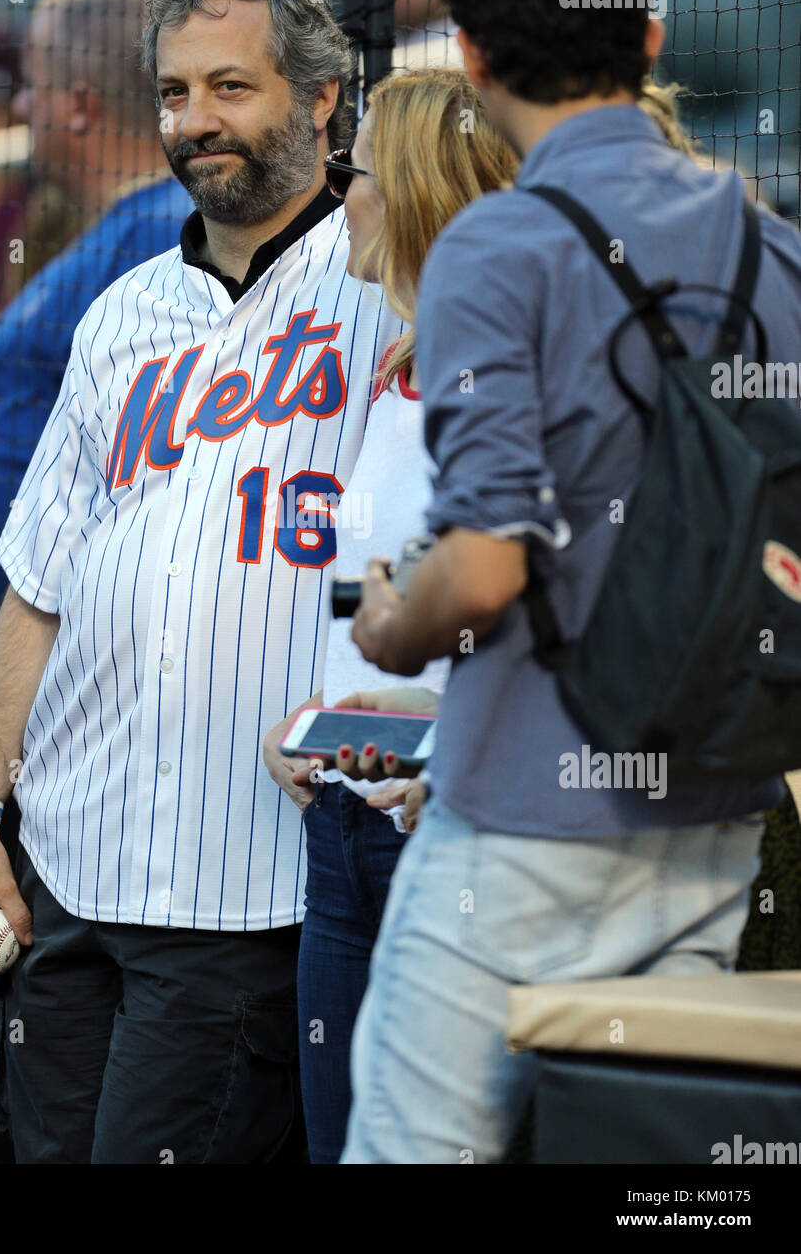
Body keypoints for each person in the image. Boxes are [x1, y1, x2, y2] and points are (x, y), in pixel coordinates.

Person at [334, 0, 801, 1164]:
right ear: (648, 39)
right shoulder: (777, 250)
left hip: (521, 824)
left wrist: (388, 623)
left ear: (472, 59)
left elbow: (481, 570)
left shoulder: (498, 246)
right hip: (715, 809)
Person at [0, 0, 403, 1164]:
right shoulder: (120, 311)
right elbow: (37, 590)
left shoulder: (393, 285)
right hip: (72, 877)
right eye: (176, 93)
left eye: (232, 88)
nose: (198, 123)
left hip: (248, 895)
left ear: (322, 98)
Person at [263, 66, 517, 1164]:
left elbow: (530, 610)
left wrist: (450, 752)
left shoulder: (509, 379)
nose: (338, 189)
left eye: (354, 172)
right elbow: (380, 591)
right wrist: (322, 716)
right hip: (347, 821)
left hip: (449, 838)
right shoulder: (397, 365)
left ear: (410, 190)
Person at [0, 0, 193, 726]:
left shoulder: (162, 221)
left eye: (35, 89)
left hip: (56, 713)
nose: (20, 110)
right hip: (1, 704)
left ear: (80, 105)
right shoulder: (128, 225)